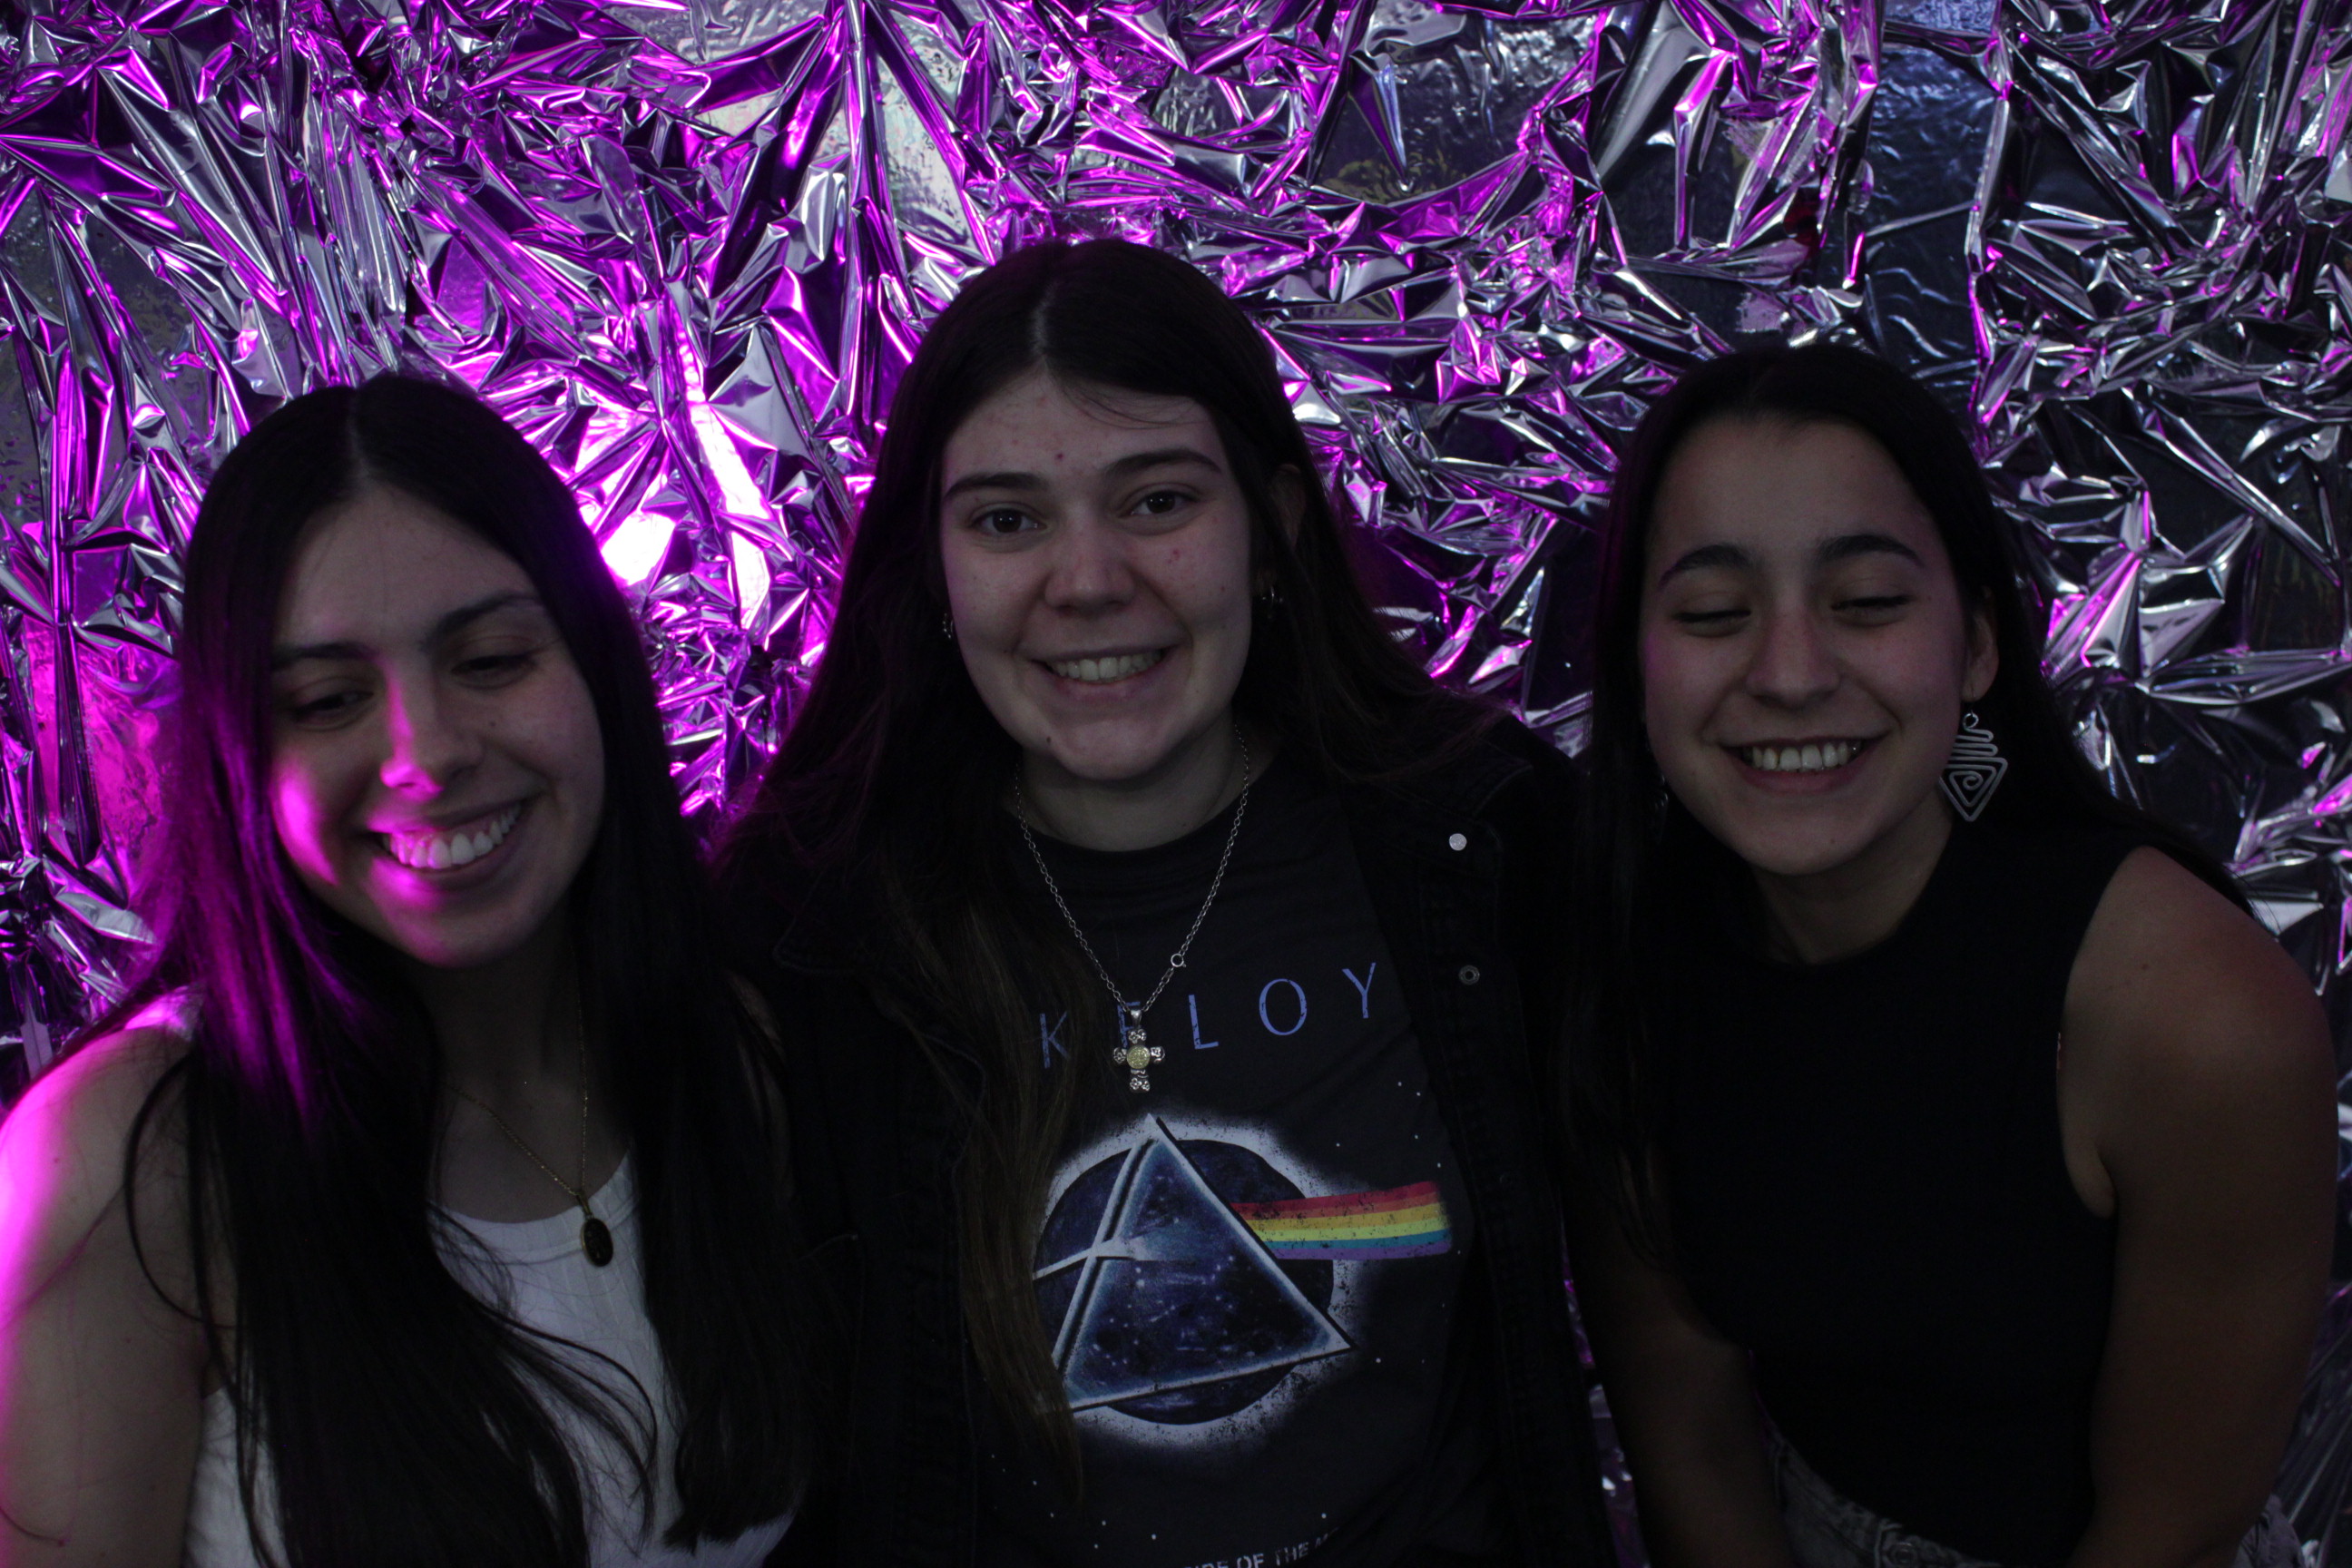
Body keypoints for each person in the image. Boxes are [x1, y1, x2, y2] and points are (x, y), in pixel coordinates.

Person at [715, 238, 1617, 1566]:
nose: (1088, 581)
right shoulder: (811, 938)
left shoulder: (1487, 845)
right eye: (1008, 520)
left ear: (1273, 529)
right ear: (934, 570)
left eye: (1156, 501)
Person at [0, 377, 811, 1568]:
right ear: (240, 755)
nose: (425, 753)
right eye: (328, 700)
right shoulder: (130, 1159)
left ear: (598, 668)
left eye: (491, 660)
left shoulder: (732, 1058)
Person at [1563, 342, 2335, 1568]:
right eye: (1712, 614)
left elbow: (2172, 1528)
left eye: (1868, 602)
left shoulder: (2191, 1017)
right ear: (1635, 665)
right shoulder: (1625, 961)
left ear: (1975, 645)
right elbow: (1689, 1441)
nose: (1791, 674)